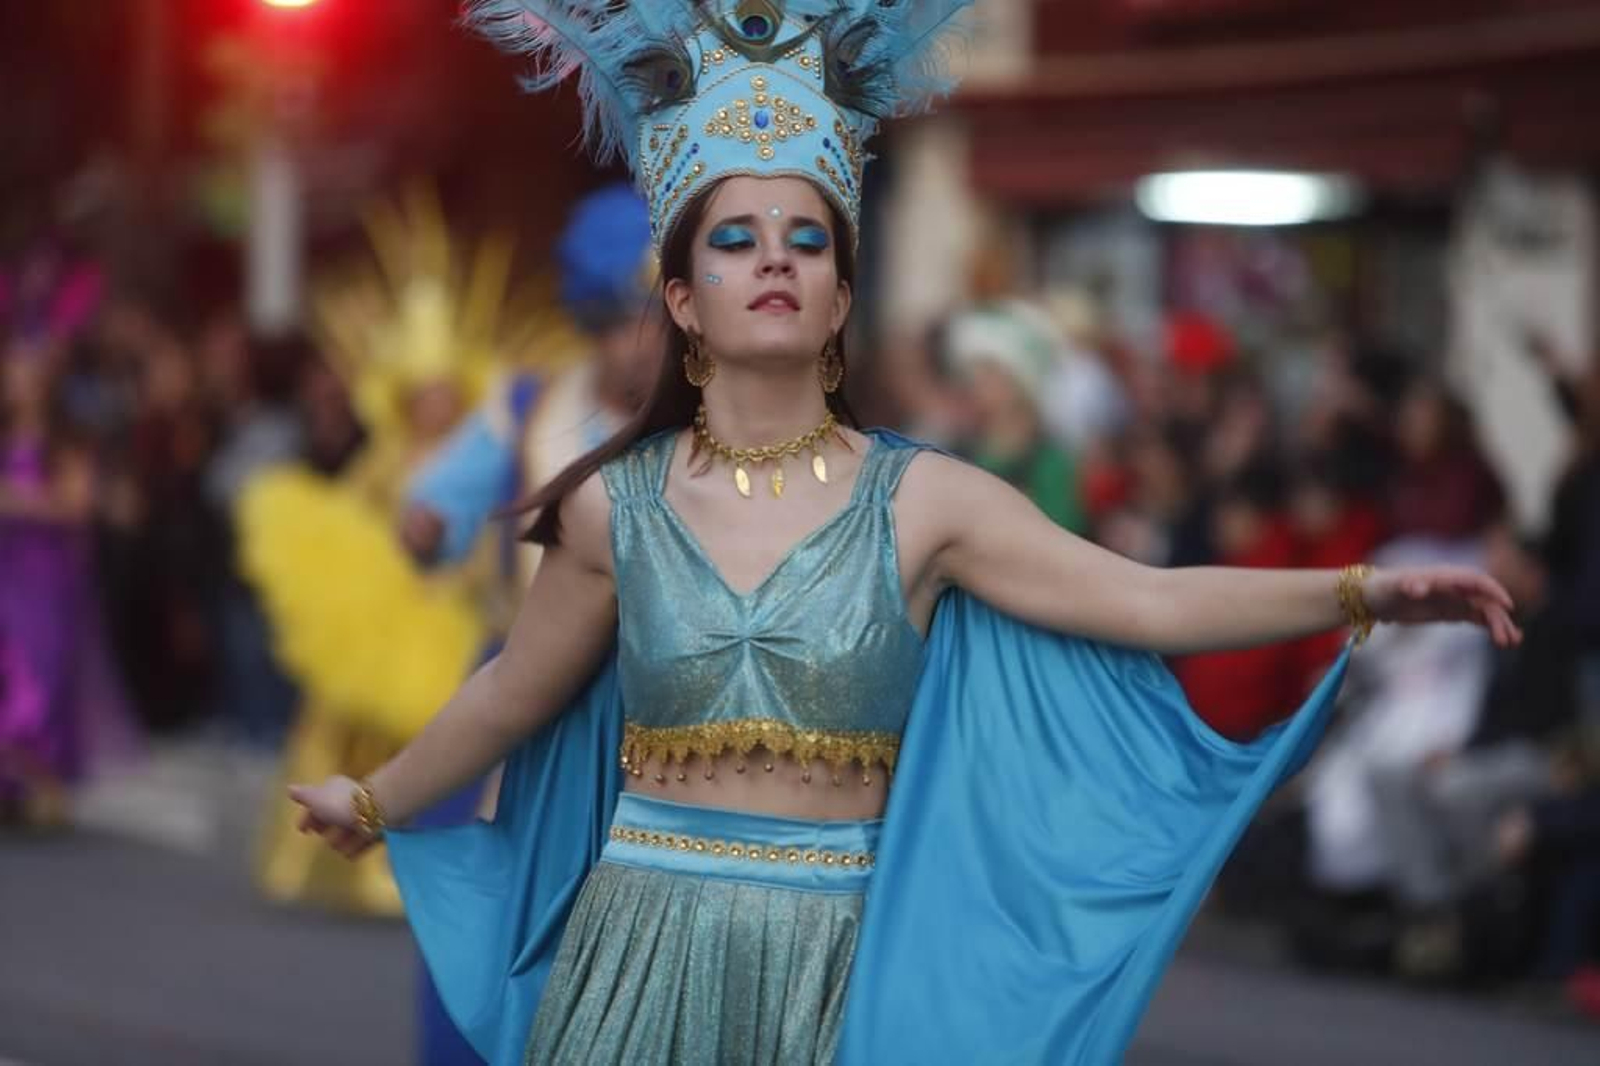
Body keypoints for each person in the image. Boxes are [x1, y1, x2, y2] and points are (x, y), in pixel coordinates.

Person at [289, 4, 1521, 1063]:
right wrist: (373, 795)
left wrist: (1362, 590)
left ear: (837, 294)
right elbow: (508, 697)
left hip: (845, 965)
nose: (773, 259)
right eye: (735, 239)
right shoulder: (616, 504)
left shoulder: (928, 500)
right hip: (638, 954)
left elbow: (1141, 601)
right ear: (682, 297)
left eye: (805, 238)